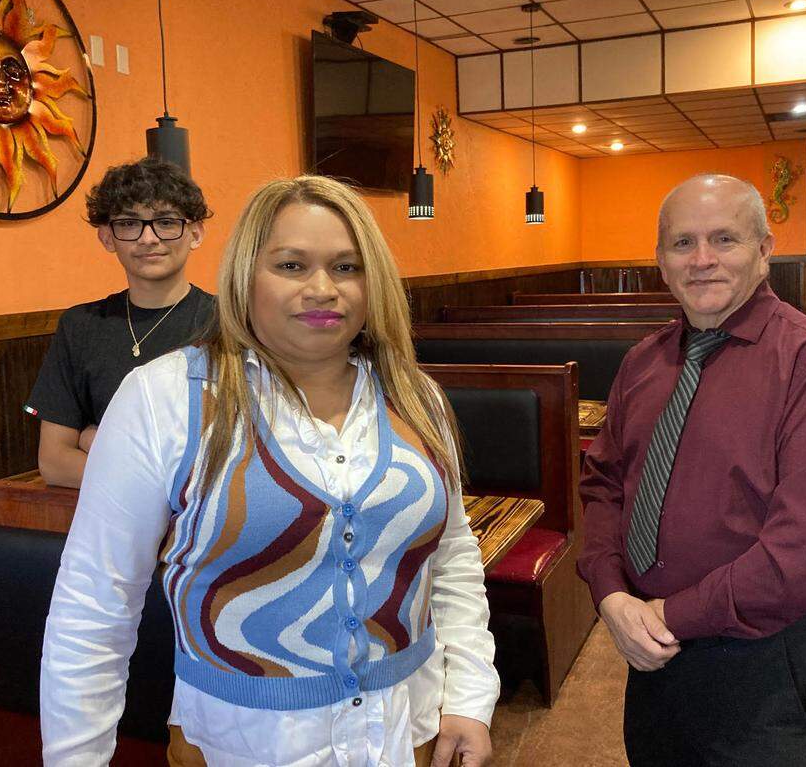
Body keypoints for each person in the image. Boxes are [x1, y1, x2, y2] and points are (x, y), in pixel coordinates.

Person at [40, 175, 498, 766]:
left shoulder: (416, 397)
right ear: (245, 276)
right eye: (290, 265)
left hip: (408, 731)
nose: (322, 289)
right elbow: (95, 605)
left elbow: (452, 557)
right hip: (244, 745)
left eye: (346, 267)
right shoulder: (163, 399)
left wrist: (469, 696)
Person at [578, 174, 806, 766]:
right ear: (660, 261)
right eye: (683, 244)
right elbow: (604, 484)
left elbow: (803, 558)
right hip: (652, 658)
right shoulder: (643, 362)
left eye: (725, 239)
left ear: (765, 251)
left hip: (762, 663)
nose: (703, 260)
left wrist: (666, 615)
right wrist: (611, 593)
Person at [25, 157, 215, 488]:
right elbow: (54, 463)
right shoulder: (81, 325)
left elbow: (229, 462)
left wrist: (97, 443)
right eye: (129, 224)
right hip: (113, 526)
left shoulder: (227, 322)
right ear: (107, 238)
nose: (148, 238)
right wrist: (158, 479)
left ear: (195, 233)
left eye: (166, 222)